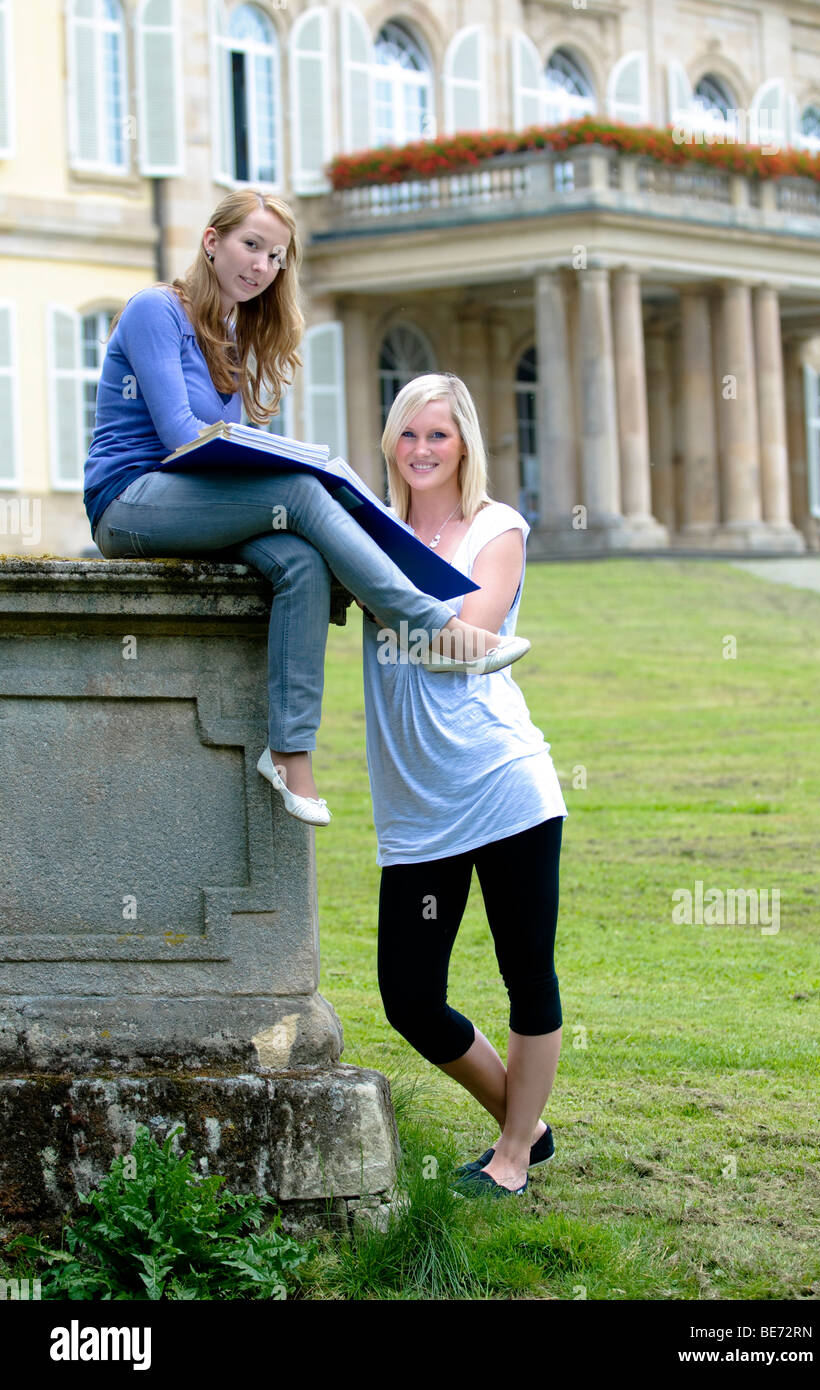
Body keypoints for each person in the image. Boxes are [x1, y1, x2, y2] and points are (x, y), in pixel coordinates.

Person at [83, 190, 528, 827]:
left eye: (276, 257)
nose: (262, 265)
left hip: (196, 504)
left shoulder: (231, 333)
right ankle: (430, 626)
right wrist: (293, 468)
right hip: (130, 502)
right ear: (212, 242)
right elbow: (184, 438)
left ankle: (290, 755)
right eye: (251, 246)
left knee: (300, 561)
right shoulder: (156, 310)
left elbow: (221, 453)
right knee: (299, 491)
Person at [361, 373, 567, 1197]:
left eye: (436, 435)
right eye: (407, 434)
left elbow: (468, 640)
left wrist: (372, 574)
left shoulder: (495, 527)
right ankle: (529, 1123)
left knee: (527, 972)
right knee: (409, 996)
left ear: (464, 444)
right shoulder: (370, 532)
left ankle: (511, 1159)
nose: (419, 450)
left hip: (501, 783)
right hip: (415, 803)